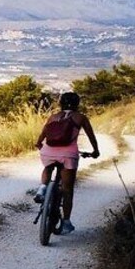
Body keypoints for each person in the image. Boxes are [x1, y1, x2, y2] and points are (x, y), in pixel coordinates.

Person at [33, 91, 100, 234]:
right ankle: (66, 222)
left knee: (48, 167)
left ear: (61, 103)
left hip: (48, 152)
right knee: (67, 190)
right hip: (68, 155)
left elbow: (43, 133)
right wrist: (95, 151)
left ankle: (43, 188)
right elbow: (91, 135)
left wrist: (39, 144)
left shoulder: (53, 117)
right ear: (77, 103)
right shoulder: (80, 117)